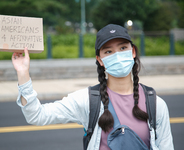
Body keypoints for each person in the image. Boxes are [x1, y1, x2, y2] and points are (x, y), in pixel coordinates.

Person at [12, 24, 174, 150]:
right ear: (100, 60)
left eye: (123, 48)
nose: (117, 55)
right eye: (108, 51)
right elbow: (37, 116)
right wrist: (23, 73)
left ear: (132, 52)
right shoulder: (88, 100)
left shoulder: (155, 104)